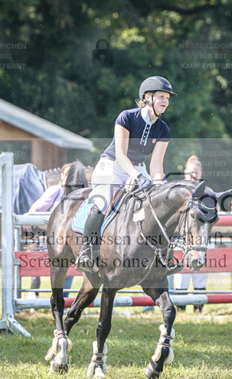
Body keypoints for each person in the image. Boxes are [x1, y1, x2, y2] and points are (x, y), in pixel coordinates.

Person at [75, 76, 176, 273]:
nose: (165, 101)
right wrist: (137, 178)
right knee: (103, 201)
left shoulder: (163, 129)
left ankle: (161, 256)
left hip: (139, 168)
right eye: (161, 96)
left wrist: (158, 185)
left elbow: (156, 164)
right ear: (147, 97)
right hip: (112, 166)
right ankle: (86, 252)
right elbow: (121, 155)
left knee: (157, 204)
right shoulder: (127, 117)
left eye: (167, 98)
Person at [27, 164, 75, 299]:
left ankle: (64, 299)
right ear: (62, 175)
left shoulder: (76, 194)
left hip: (66, 241)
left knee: (69, 269)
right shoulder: (55, 190)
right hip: (46, 238)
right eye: (67, 174)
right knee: (39, 267)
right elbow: (35, 209)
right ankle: (33, 295)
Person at [174, 156, 210, 313]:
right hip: (181, 238)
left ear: (201, 173)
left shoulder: (207, 191)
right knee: (181, 274)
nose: (193, 175)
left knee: (200, 273)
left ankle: (198, 309)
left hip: (200, 237)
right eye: (191, 172)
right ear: (185, 172)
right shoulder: (178, 190)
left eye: (196, 172)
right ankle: (180, 309)